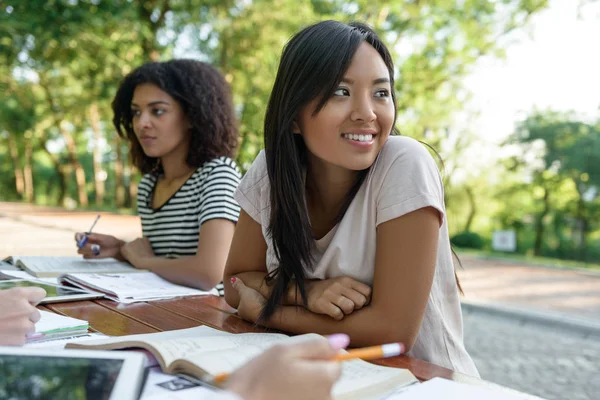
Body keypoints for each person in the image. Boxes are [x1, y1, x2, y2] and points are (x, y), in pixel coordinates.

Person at [223, 20, 479, 376]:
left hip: (419, 383)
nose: (367, 113)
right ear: (293, 116)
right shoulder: (272, 168)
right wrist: (304, 292)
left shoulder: (405, 164)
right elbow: (234, 282)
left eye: (381, 92)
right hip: (320, 379)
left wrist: (270, 310)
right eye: (340, 92)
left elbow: (391, 332)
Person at [76, 59, 241, 293]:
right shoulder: (148, 186)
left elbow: (209, 272)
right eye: (135, 112)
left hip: (213, 317)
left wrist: (143, 261)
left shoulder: (217, 175)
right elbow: (167, 262)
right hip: (167, 309)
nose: (142, 123)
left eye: (158, 111)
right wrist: (121, 250)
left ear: (193, 116)